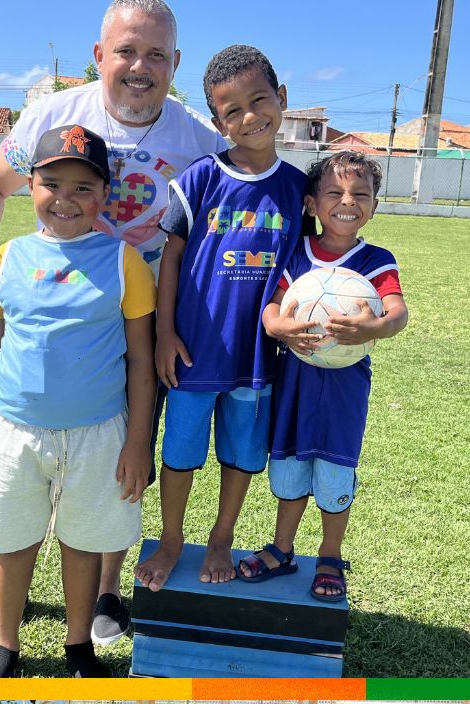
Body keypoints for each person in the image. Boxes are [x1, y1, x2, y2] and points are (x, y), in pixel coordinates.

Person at [0, 0, 227, 650]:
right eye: (126, 51)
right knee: (21, 469)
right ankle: (8, 598)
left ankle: (107, 590)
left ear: (175, 63)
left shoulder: (199, 139)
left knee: (117, 461)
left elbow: (245, 189)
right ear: (100, 55)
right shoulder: (53, 116)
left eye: (156, 55)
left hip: (145, 317)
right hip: (56, 306)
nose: (140, 67)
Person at [0, 123, 157, 679]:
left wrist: (138, 442)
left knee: (83, 541)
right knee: (13, 541)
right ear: (30, 186)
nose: (65, 198)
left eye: (83, 187)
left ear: (104, 195)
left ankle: (78, 646)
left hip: (98, 433)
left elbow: (141, 362)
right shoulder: (5, 260)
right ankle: (6, 645)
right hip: (16, 431)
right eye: (52, 184)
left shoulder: (125, 263)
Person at [134, 45, 306, 592]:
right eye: (232, 111)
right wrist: (165, 332)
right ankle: (171, 539)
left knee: (240, 455)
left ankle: (221, 537)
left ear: (281, 98)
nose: (249, 116)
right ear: (218, 122)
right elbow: (172, 257)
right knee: (180, 454)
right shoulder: (201, 179)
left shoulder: (298, 190)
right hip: (193, 351)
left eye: (259, 100)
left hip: (257, 358)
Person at [243, 151, 409, 602]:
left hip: (344, 387)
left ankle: (330, 555)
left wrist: (375, 328)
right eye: (334, 192)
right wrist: (278, 327)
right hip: (294, 380)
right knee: (291, 465)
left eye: (360, 194)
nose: (347, 201)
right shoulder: (297, 253)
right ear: (312, 204)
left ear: (374, 206)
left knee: (336, 469)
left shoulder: (375, 260)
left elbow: (397, 312)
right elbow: (273, 306)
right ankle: (282, 548)